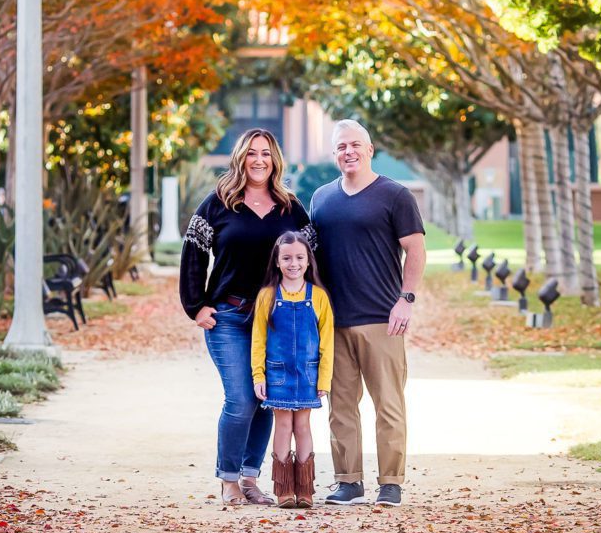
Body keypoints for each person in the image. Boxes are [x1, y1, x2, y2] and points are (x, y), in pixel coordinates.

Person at [179, 129, 316, 507]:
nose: (259, 160)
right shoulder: (218, 203)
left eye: (266, 154)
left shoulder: (290, 207)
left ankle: (251, 478)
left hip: (277, 319)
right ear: (240, 158)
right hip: (229, 316)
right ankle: (228, 479)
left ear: (275, 160)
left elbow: (310, 260)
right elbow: (193, 253)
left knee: (267, 399)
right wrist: (196, 305)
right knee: (240, 399)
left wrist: (310, 309)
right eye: (252, 153)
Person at [310, 119, 426, 508]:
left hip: (382, 318)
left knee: (388, 404)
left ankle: (390, 482)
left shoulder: (395, 195)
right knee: (340, 407)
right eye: (341, 146)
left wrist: (405, 300)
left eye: (355, 145)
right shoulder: (321, 199)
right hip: (335, 321)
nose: (349, 152)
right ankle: (349, 481)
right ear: (334, 154)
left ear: (370, 149)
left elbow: (415, 249)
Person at [251, 231, 334, 508]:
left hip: (308, 374)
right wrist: (258, 375)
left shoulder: (319, 297)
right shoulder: (267, 296)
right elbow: (258, 339)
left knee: (303, 426)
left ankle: (305, 489)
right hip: (278, 373)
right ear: (276, 261)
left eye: (299, 257)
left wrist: (324, 378)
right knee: (283, 425)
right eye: (286, 258)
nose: (293, 263)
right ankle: (285, 489)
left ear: (308, 261)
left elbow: (328, 342)